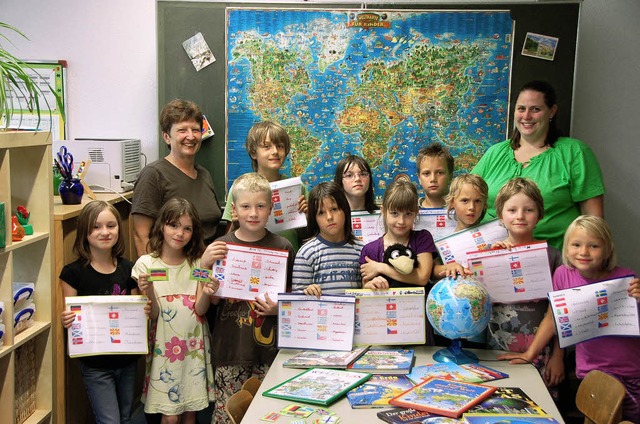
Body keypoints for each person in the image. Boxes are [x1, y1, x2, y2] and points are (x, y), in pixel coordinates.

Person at [499, 215, 640, 422]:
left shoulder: (626, 278)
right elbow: (552, 318)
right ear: (567, 247)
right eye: (576, 244)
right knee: (598, 418)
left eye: (593, 246)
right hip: (593, 371)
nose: (583, 252)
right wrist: (530, 354)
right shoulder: (563, 275)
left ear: (607, 249)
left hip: (630, 370)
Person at [202, 173, 295, 423]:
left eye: (260, 206)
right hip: (231, 349)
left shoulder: (284, 247)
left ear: (271, 208)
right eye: (245, 206)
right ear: (234, 209)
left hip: (271, 352)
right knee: (228, 416)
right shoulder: (220, 246)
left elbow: (294, 303)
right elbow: (206, 300)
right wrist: (203, 265)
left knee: (269, 416)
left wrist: (279, 309)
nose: (253, 213)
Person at [471, 80, 605, 250]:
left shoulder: (575, 152)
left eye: (535, 109)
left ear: (552, 111)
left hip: (552, 262)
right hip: (493, 255)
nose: (526, 116)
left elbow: (594, 222)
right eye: (521, 109)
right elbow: (466, 199)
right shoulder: (495, 153)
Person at [132, 198, 217, 422]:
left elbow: (200, 309)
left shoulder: (198, 263)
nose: (179, 233)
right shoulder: (145, 264)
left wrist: (207, 291)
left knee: (190, 414)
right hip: (165, 348)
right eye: (173, 225)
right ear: (161, 225)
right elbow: (153, 314)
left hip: (193, 347)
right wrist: (148, 290)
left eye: (187, 228)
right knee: (170, 417)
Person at [60, 200, 140, 424]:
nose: (104, 232)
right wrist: (67, 318)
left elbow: (137, 310)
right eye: (96, 227)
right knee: (110, 421)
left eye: (111, 225)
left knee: (125, 417)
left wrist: (143, 308)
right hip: (95, 365)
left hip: (127, 361)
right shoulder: (72, 273)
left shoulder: (129, 269)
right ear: (84, 232)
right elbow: (69, 311)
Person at [487, 177, 564, 393]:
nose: (520, 216)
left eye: (528, 210)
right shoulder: (489, 254)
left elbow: (562, 312)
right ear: (501, 216)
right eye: (512, 210)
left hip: (541, 353)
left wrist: (559, 356)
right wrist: (490, 259)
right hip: (496, 351)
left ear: (539, 214)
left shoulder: (553, 256)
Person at [132, 99, 223, 256]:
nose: (190, 136)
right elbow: (141, 237)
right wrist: (155, 277)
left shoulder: (204, 174)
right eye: (182, 130)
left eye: (195, 130)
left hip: (203, 270)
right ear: (167, 137)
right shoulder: (153, 174)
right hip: (170, 272)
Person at [222, 120, 308, 251]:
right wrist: (235, 223)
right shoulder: (240, 186)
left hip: (288, 257)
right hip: (251, 257)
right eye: (266, 147)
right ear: (253, 153)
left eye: (280, 146)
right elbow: (228, 237)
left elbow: (306, 236)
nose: (275, 151)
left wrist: (305, 217)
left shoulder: (297, 187)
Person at [292, 182, 364, 296]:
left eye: (334, 209)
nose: (329, 217)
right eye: (321, 212)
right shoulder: (306, 253)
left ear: (345, 210)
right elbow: (296, 299)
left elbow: (366, 293)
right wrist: (307, 291)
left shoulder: (362, 250)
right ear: (314, 218)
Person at [416, 143, 454, 209]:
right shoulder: (410, 212)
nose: (433, 179)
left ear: (450, 176)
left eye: (439, 173)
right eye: (426, 173)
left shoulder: (461, 212)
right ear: (419, 178)